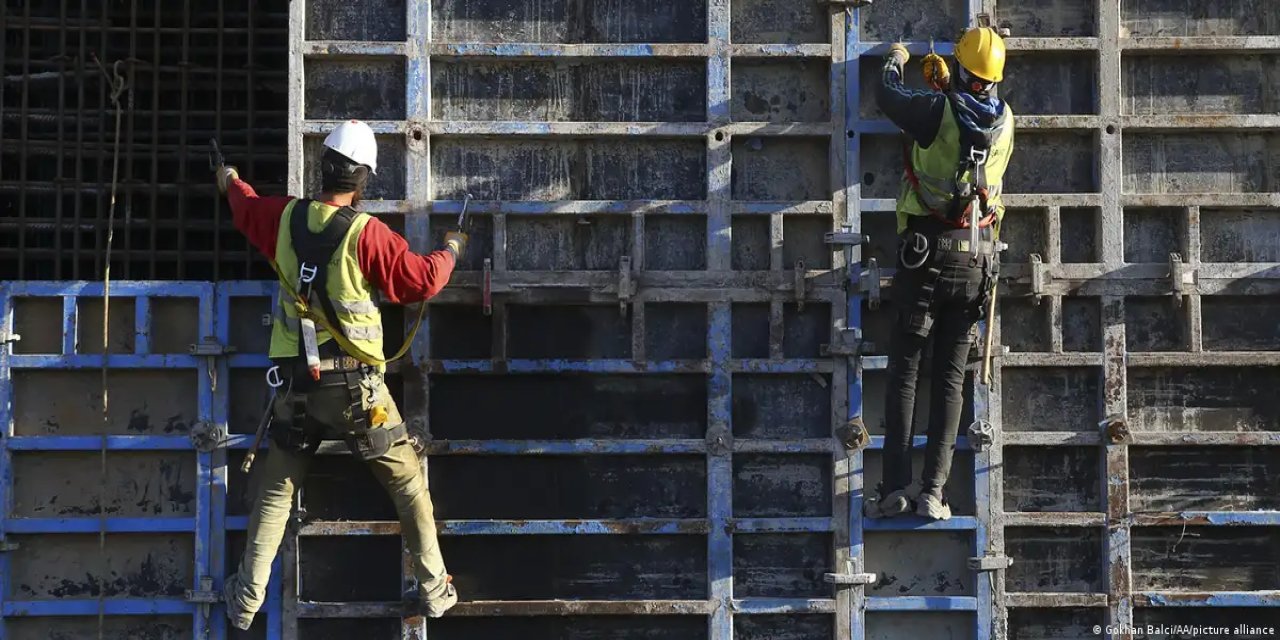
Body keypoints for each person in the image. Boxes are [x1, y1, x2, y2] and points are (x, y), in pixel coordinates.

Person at [215, 119, 468, 629]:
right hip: (358, 392)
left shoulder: (281, 216)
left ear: (322, 168)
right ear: (363, 180)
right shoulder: (366, 234)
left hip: (293, 390)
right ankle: (436, 590)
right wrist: (453, 247)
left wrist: (227, 177)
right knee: (408, 486)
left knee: (275, 492)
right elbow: (420, 280)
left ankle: (244, 602)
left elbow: (243, 204)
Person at [866, 27, 1014, 520]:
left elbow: (889, 95)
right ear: (993, 78)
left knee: (905, 369)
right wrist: (950, 87)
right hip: (977, 260)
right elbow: (971, 133)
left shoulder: (936, 111)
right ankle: (935, 492)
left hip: (924, 257)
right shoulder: (1007, 120)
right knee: (951, 378)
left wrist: (897, 57)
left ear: (962, 66)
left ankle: (894, 488)